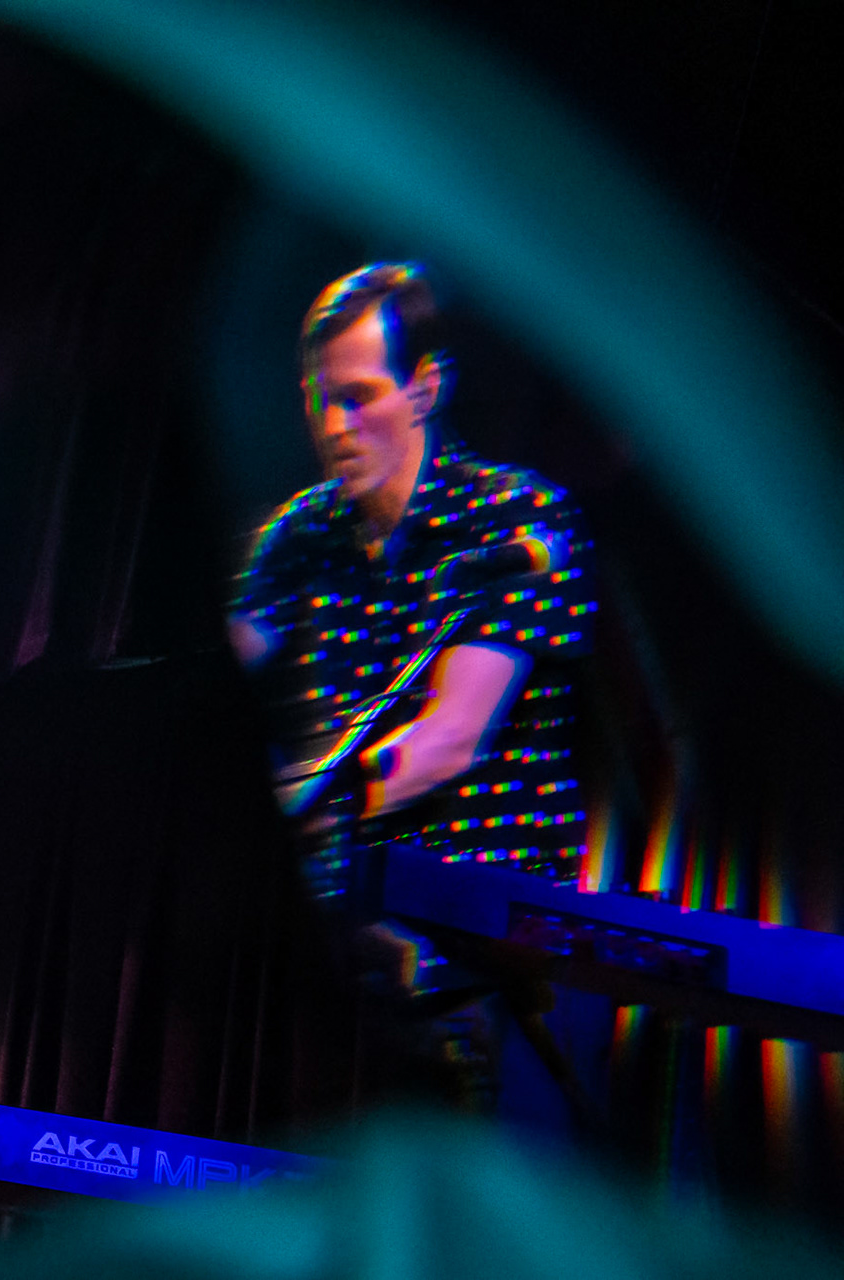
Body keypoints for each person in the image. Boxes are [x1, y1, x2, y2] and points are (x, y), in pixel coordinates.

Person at [229, 264, 595, 1053]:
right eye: (320, 401)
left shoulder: (512, 519)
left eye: (358, 398)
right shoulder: (304, 534)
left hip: (493, 935)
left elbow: (446, 740)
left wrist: (296, 810)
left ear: (426, 388)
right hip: (354, 918)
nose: (335, 428)